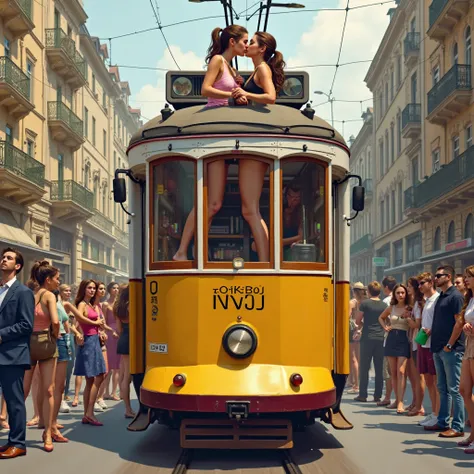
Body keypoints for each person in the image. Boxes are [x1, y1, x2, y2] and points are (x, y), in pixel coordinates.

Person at [173, 25, 248, 262]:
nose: (247, 45)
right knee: (210, 203)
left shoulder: (230, 66)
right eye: (244, 41)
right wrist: (233, 93)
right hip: (214, 128)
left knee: (214, 204)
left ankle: (197, 251)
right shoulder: (217, 60)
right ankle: (183, 251)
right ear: (232, 42)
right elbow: (206, 89)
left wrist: (238, 87)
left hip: (226, 129)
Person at [231, 31, 286, 262]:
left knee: (250, 209)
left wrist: (245, 93)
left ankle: (266, 261)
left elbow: (271, 97)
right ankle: (266, 260)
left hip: (256, 142)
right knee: (249, 209)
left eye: (252, 42)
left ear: (262, 49)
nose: (248, 45)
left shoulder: (262, 68)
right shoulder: (256, 69)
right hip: (251, 141)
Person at [23, 260, 61, 453]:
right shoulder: (50, 296)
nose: (59, 283)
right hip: (46, 343)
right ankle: (47, 433)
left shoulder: (31, 295)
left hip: (29, 343)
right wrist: (56, 333)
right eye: (57, 279)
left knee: (23, 389)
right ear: (48, 280)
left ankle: (16, 431)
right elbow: (55, 320)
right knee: (49, 390)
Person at [0, 248, 34, 459]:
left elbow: (26, 324)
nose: (4, 260)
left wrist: (1, 335)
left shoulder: (23, 292)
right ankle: (11, 440)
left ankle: (18, 443)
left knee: (14, 402)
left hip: (13, 355)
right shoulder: (1, 290)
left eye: (9, 258)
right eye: (3, 257)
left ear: (18, 266)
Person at [424, 265, 465, 438]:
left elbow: (459, 323)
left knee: (454, 389)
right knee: (442, 388)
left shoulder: (455, 296)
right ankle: (442, 421)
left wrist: (449, 344)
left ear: (448, 276)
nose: (435, 278)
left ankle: (458, 426)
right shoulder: (441, 296)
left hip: (451, 349)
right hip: (438, 348)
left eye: (439, 275)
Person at [378, 284, 417, 413]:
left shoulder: (410, 308)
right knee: (393, 372)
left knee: (401, 371)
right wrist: (385, 327)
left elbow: (415, 324)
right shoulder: (391, 307)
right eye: (398, 293)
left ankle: (401, 402)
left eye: (402, 292)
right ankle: (396, 400)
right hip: (391, 339)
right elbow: (381, 317)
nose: (400, 295)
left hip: (403, 339)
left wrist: (409, 317)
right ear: (394, 294)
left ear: (406, 294)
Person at [73, 280, 106, 426]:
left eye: (94, 288)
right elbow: (77, 321)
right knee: (99, 376)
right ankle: (89, 413)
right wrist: (80, 333)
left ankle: (87, 413)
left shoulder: (92, 305)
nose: (92, 290)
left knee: (91, 379)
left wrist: (101, 332)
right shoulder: (81, 304)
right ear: (84, 289)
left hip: (94, 341)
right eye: (89, 288)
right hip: (88, 342)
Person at [354, 281, 386, 403]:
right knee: (379, 368)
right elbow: (386, 321)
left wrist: (364, 324)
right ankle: (377, 395)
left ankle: (363, 394)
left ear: (368, 291)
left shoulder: (364, 304)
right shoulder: (383, 305)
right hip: (380, 338)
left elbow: (357, 320)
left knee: (364, 367)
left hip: (367, 337)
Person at [415, 273, 440, 428]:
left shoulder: (437, 298)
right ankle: (434, 412)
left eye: (422, 283)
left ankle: (438, 414)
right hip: (423, 342)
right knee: (428, 380)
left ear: (431, 283)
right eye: (418, 283)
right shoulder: (426, 300)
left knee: (436, 381)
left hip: (433, 344)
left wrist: (432, 330)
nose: (420, 286)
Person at [456, 265, 474, 453]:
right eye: (466, 276)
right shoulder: (469, 299)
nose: (467, 279)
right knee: (463, 389)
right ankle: (472, 434)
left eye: (470, 276)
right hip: (469, 344)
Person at [405, 277, 425, 417]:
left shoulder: (419, 303)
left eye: (409, 286)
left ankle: (419, 406)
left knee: (420, 377)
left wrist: (407, 318)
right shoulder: (414, 303)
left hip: (419, 341)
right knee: (414, 376)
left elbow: (416, 324)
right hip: (413, 340)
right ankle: (415, 402)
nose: (407, 289)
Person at [115, 285, 136, 419]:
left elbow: (119, 328)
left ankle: (127, 407)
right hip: (132, 339)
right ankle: (128, 409)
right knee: (128, 376)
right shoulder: (131, 306)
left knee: (124, 375)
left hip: (123, 338)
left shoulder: (117, 308)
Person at [378, 276, 397, 407]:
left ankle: (388, 396)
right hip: (401, 338)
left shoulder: (386, 301)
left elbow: (384, 318)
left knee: (388, 371)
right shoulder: (401, 300)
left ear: (386, 287)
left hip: (389, 338)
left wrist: (386, 327)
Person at [101, 282, 121, 401]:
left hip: (118, 333)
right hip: (109, 333)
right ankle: (106, 392)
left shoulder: (119, 304)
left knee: (117, 366)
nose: (116, 290)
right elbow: (103, 321)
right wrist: (105, 332)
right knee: (108, 365)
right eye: (114, 288)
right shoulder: (105, 304)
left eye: (117, 288)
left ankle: (114, 392)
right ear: (109, 290)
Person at [348, 282, 366, 394]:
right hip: (361, 330)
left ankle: (355, 385)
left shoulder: (352, 302)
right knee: (359, 358)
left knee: (353, 358)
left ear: (354, 291)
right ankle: (355, 382)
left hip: (352, 331)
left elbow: (348, 316)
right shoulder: (364, 302)